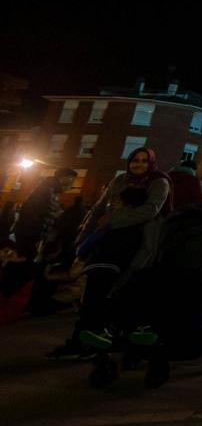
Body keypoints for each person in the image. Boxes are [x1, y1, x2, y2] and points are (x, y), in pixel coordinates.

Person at [46, 149, 170, 361]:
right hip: (107, 242)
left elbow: (151, 210)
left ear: (150, 163)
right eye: (134, 160)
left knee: (110, 289)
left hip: (136, 242)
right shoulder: (120, 180)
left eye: (143, 161)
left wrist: (115, 219)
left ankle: (94, 336)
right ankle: (84, 338)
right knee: (95, 288)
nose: (138, 165)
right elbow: (98, 208)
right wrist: (84, 237)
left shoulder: (159, 183)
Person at [12, 168, 77, 261]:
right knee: (26, 258)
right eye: (71, 178)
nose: (73, 182)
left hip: (31, 232)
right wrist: (54, 214)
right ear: (62, 177)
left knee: (27, 257)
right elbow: (34, 208)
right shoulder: (47, 189)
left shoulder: (52, 190)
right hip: (29, 232)